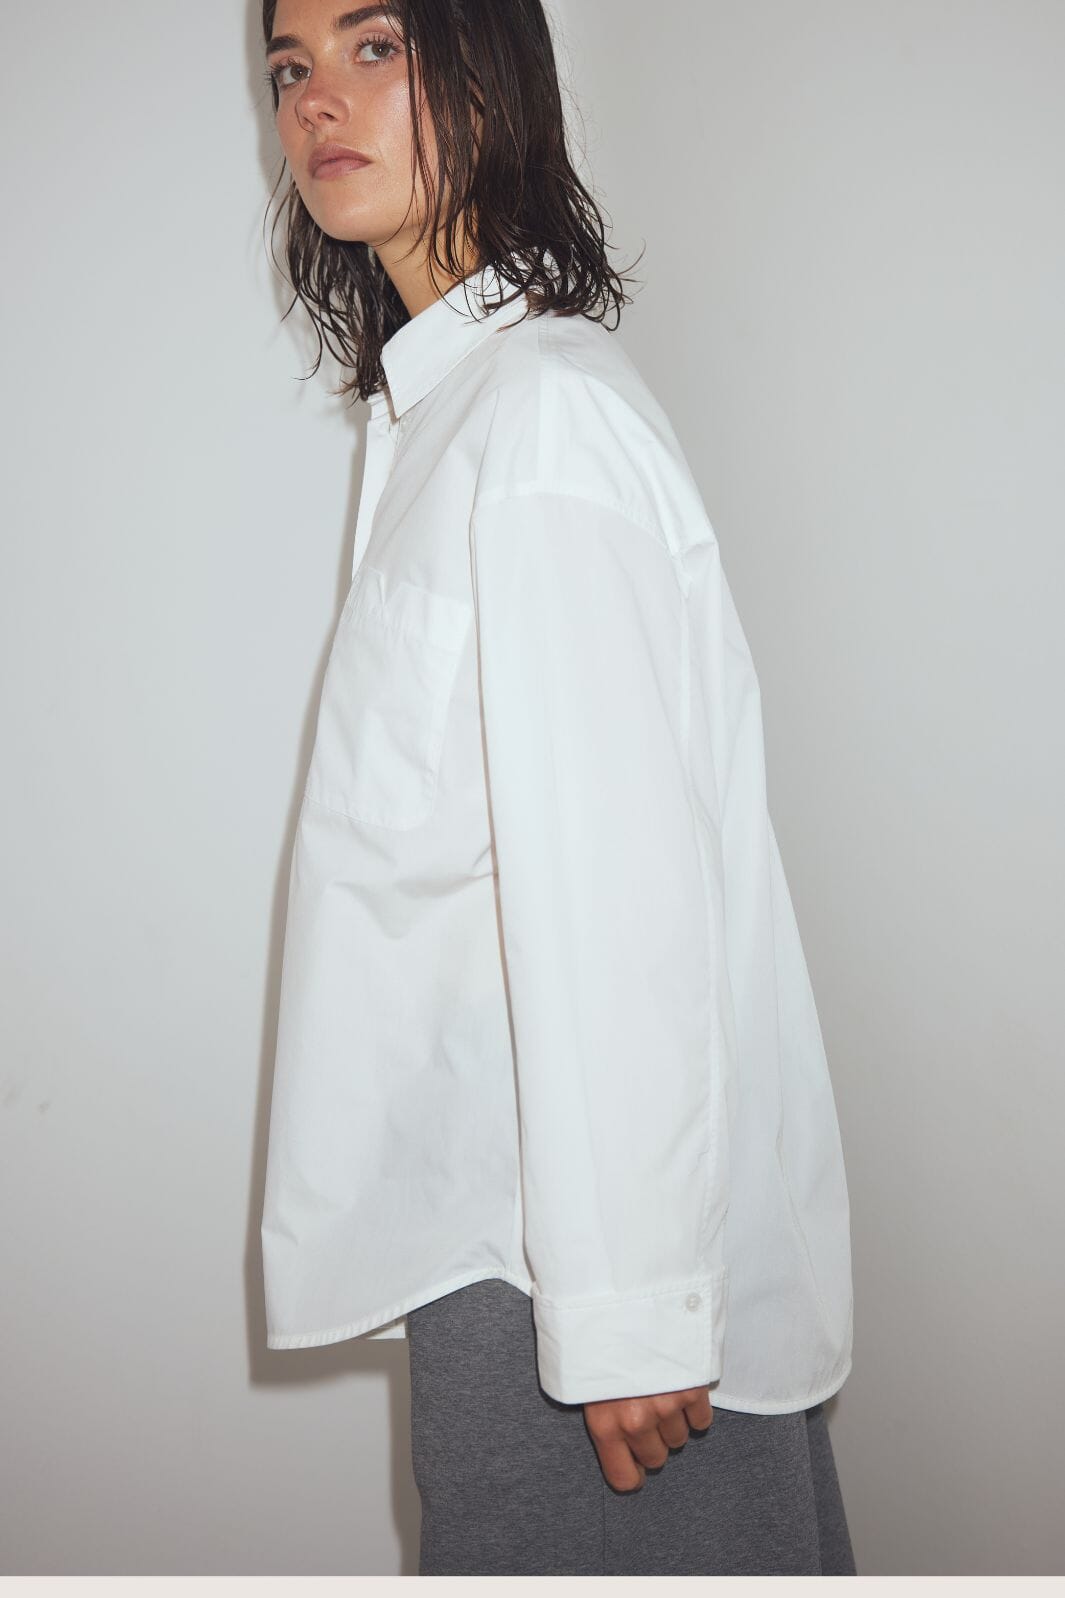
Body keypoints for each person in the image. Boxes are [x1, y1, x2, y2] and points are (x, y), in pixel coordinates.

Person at [258, 0, 857, 1577]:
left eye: (373, 48)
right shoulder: (453, 413)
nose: (316, 100)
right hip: (514, 1227)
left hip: (572, 1271)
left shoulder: (535, 416)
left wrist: (633, 1306)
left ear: (488, 73)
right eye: (289, 67)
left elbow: (615, 879)